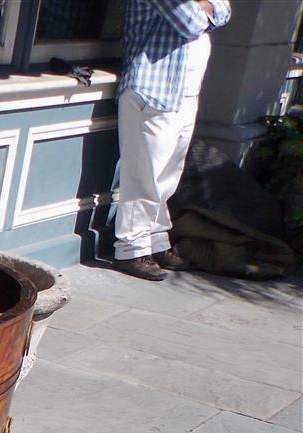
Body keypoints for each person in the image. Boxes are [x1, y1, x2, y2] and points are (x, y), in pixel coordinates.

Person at [113, 0, 231, 281]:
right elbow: (188, 22)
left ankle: (154, 242)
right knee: (145, 175)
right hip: (153, 90)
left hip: (185, 94)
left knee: (168, 176)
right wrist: (208, 10)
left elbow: (225, 11)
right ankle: (131, 248)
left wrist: (208, 8)